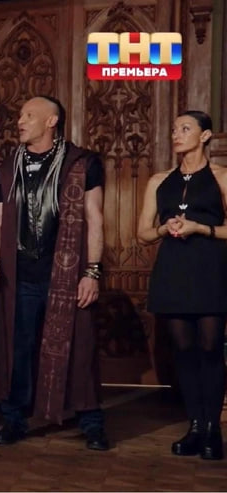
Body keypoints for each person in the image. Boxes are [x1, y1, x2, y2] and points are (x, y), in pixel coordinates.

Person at [0, 96, 109, 451]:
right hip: (21, 274)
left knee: (79, 347)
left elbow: (94, 217)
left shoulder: (81, 163)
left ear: (52, 121)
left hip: (67, 272)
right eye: (20, 115)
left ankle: (91, 421)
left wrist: (92, 272)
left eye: (29, 115)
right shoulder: (8, 168)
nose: (20, 121)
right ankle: (14, 419)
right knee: (18, 349)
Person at [137, 110, 225, 461]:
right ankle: (195, 427)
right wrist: (164, 228)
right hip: (173, 271)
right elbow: (143, 232)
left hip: (211, 271)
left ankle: (213, 430)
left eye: (185, 128)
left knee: (210, 348)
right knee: (184, 351)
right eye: (174, 129)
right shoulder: (159, 181)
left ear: (205, 136)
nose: (176, 134)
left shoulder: (221, 177)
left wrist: (200, 228)